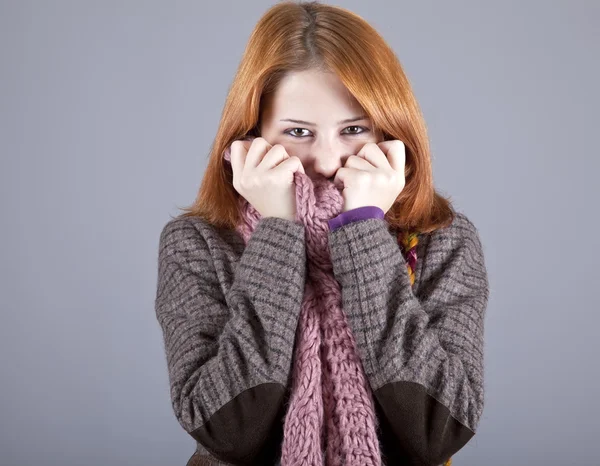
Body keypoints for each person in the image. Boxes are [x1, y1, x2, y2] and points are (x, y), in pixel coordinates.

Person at [154, 1, 490, 465]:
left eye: (353, 129)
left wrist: (363, 231)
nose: (329, 161)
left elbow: (438, 430)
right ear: (251, 138)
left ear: (391, 133)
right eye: (297, 131)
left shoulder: (441, 241)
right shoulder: (197, 243)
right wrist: (278, 230)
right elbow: (227, 431)